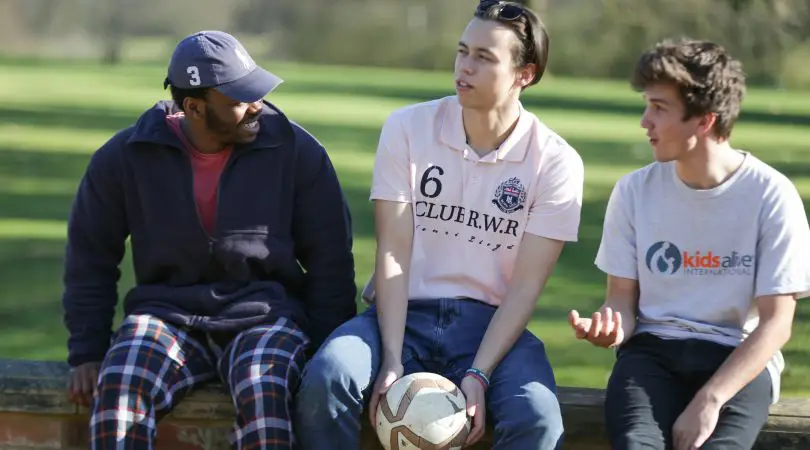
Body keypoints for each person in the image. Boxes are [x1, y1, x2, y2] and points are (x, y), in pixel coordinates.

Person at [294, 2, 584, 449]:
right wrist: (391, 358)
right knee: (328, 376)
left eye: (484, 58)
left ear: (524, 74)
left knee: (538, 418)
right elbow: (392, 252)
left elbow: (526, 286)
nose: (464, 67)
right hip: (402, 314)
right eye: (463, 51)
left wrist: (479, 373)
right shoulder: (408, 128)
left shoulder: (557, 162)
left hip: (491, 327)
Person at [61, 30, 357, 449]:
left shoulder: (298, 153)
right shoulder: (125, 157)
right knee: (119, 392)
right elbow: (89, 257)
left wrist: (326, 351)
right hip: (167, 316)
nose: (257, 105)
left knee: (264, 393)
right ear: (194, 108)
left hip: (265, 318)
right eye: (239, 99)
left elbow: (331, 261)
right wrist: (88, 352)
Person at [569, 38, 810, 450]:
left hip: (738, 357)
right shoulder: (633, 191)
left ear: (704, 121)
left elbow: (776, 324)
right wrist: (609, 326)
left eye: (659, 108)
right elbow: (622, 303)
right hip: (652, 354)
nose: (644, 121)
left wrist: (710, 399)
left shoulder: (771, 195)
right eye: (647, 105)